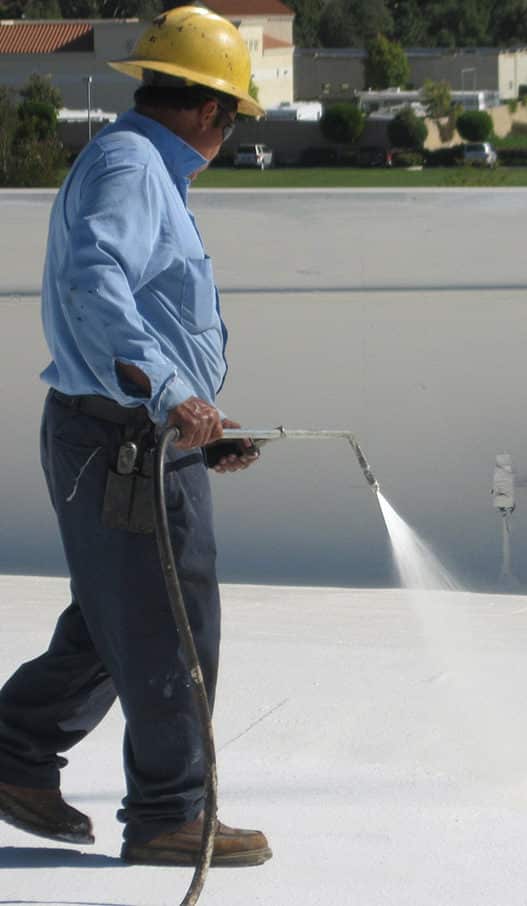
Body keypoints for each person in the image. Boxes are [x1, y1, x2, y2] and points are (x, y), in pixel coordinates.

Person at [0, 6, 271, 867]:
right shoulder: (131, 166)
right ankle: (168, 814)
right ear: (208, 113)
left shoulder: (144, 168)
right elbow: (97, 283)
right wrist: (166, 392)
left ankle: (11, 755)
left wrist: (195, 415)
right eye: (231, 120)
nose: (224, 135)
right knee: (171, 623)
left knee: (120, 619)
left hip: (135, 432)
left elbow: (139, 310)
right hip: (122, 434)